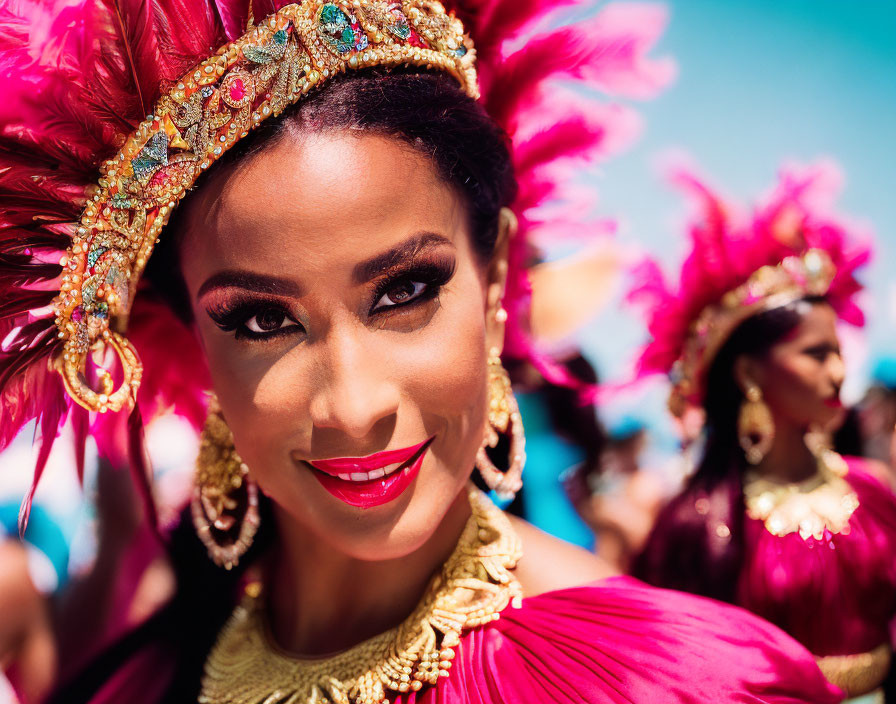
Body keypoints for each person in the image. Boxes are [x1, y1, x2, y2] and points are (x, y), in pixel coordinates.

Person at [1, 1, 843, 702]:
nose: (354, 404)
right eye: (261, 322)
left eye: (404, 292)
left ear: (498, 278)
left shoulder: (686, 684)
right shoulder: (136, 680)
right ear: (193, 340)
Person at [630, 162, 896, 702]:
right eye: (816, 354)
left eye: (839, 353)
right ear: (750, 373)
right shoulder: (695, 525)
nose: (839, 373)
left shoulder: (873, 492)